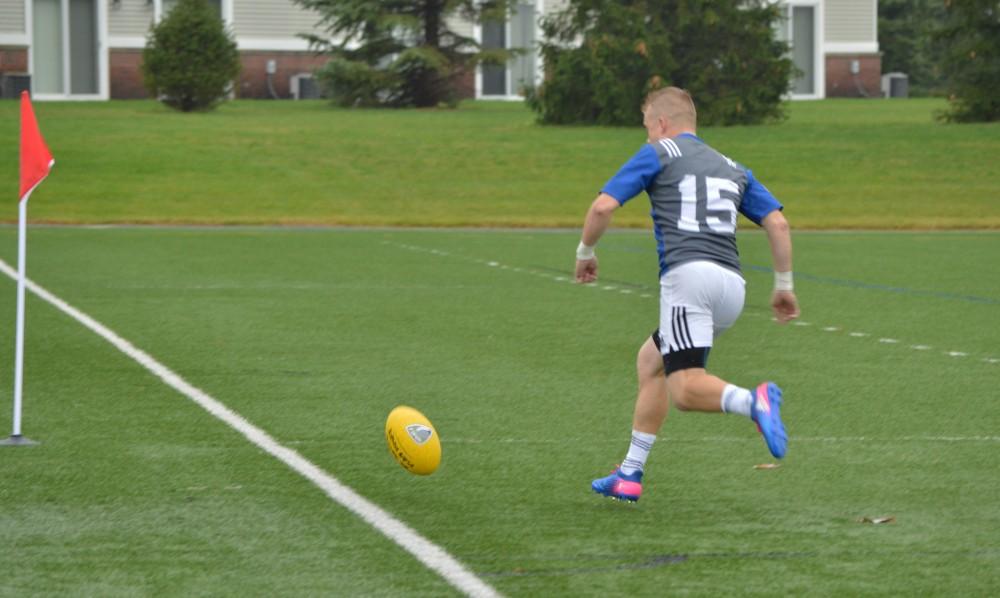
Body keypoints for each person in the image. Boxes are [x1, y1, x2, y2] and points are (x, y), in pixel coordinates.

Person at [575, 87, 800, 503]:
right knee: (651, 361)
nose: (646, 138)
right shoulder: (732, 166)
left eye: (647, 128)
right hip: (731, 286)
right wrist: (783, 286)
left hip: (688, 279)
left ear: (661, 124)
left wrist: (585, 252)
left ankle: (755, 402)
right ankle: (630, 472)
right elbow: (778, 223)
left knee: (685, 389)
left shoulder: (660, 153)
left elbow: (603, 207)